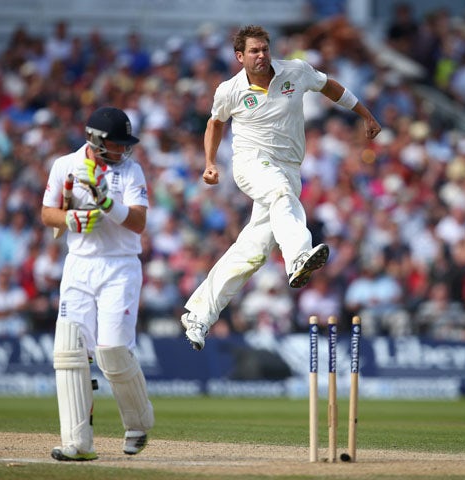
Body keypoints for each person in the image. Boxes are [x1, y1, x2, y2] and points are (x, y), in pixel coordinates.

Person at [180, 25, 381, 351]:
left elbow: (329, 87)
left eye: (264, 49)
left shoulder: (296, 71)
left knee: (253, 252)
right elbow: (214, 124)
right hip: (250, 162)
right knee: (279, 194)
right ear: (239, 56)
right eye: (254, 51)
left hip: (288, 168)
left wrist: (364, 114)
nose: (261, 56)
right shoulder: (229, 90)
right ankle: (299, 255)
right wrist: (210, 162)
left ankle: (198, 315)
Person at [41, 106, 154, 461]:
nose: (123, 151)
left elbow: (138, 223)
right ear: (96, 139)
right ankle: (78, 443)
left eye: (125, 145)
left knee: (112, 351)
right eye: (117, 145)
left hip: (120, 267)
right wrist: (72, 218)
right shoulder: (65, 165)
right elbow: (48, 213)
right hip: (78, 267)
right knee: (70, 353)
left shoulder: (131, 171)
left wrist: (106, 202)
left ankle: (138, 422)